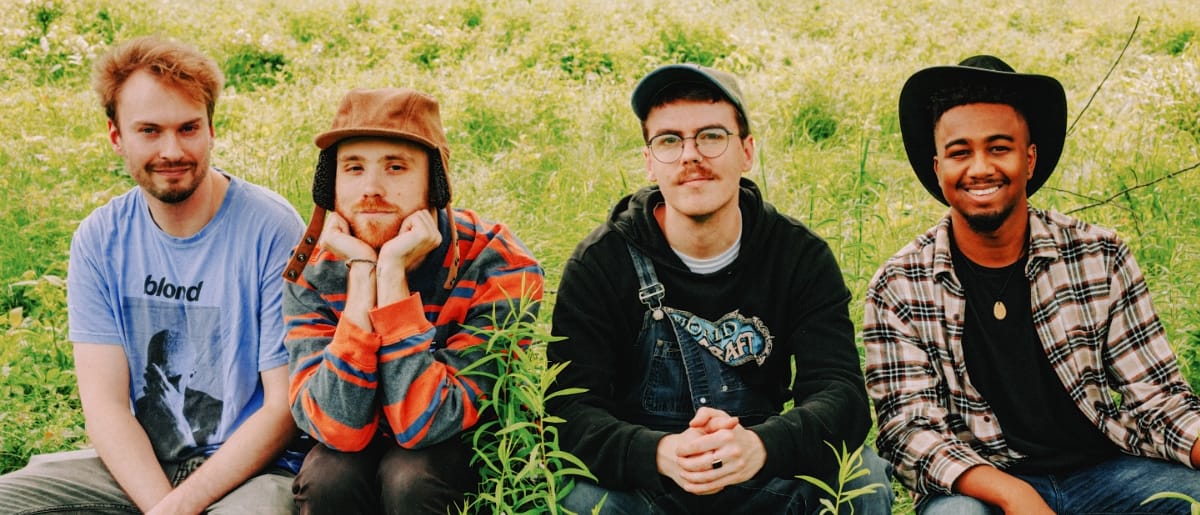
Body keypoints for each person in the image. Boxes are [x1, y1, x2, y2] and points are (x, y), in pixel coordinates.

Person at [547, 64, 893, 514]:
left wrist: (760, 446)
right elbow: (569, 410)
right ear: (650, 161)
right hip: (650, 487)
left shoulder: (797, 255)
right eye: (669, 140)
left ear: (746, 151)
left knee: (863, 479)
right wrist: (660, 453)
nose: (691, 155)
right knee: (582, 499)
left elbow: (841, 395)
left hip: (763, 477)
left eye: (711, 136)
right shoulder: (601, 262)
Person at [864, 54, 1200, 515]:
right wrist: (1015, 495)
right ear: (939, 168)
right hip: (982, 484)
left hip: (1106, 472)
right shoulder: (899, 284)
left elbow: (1156, 396)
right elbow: (908, 431)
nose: (980, 168)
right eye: (960, 153)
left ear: (1029, 159)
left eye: (999, 148)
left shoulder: (1098, 255)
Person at [0, 35, 306, 514]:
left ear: (211, 130)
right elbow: (106, 407)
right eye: (149, 130)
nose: (172, 150)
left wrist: (177, 508)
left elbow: (281, 408)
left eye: (188, 128)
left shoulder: (271, 228)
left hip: (251, 472)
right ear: (116, 136)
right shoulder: (100, 238)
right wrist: (164, 505)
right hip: (141, 466)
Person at [282, 87, 545, 514]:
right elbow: (335, 426)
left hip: (457, 444)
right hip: (356, 439)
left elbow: (427, 425)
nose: (371, 189)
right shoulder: (312, 271)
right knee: (328, 478)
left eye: (396, 167)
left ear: (435, 183)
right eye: (353, 168)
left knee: (410, 478)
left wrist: (392, 278)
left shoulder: (499, 264)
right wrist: (363, 275)